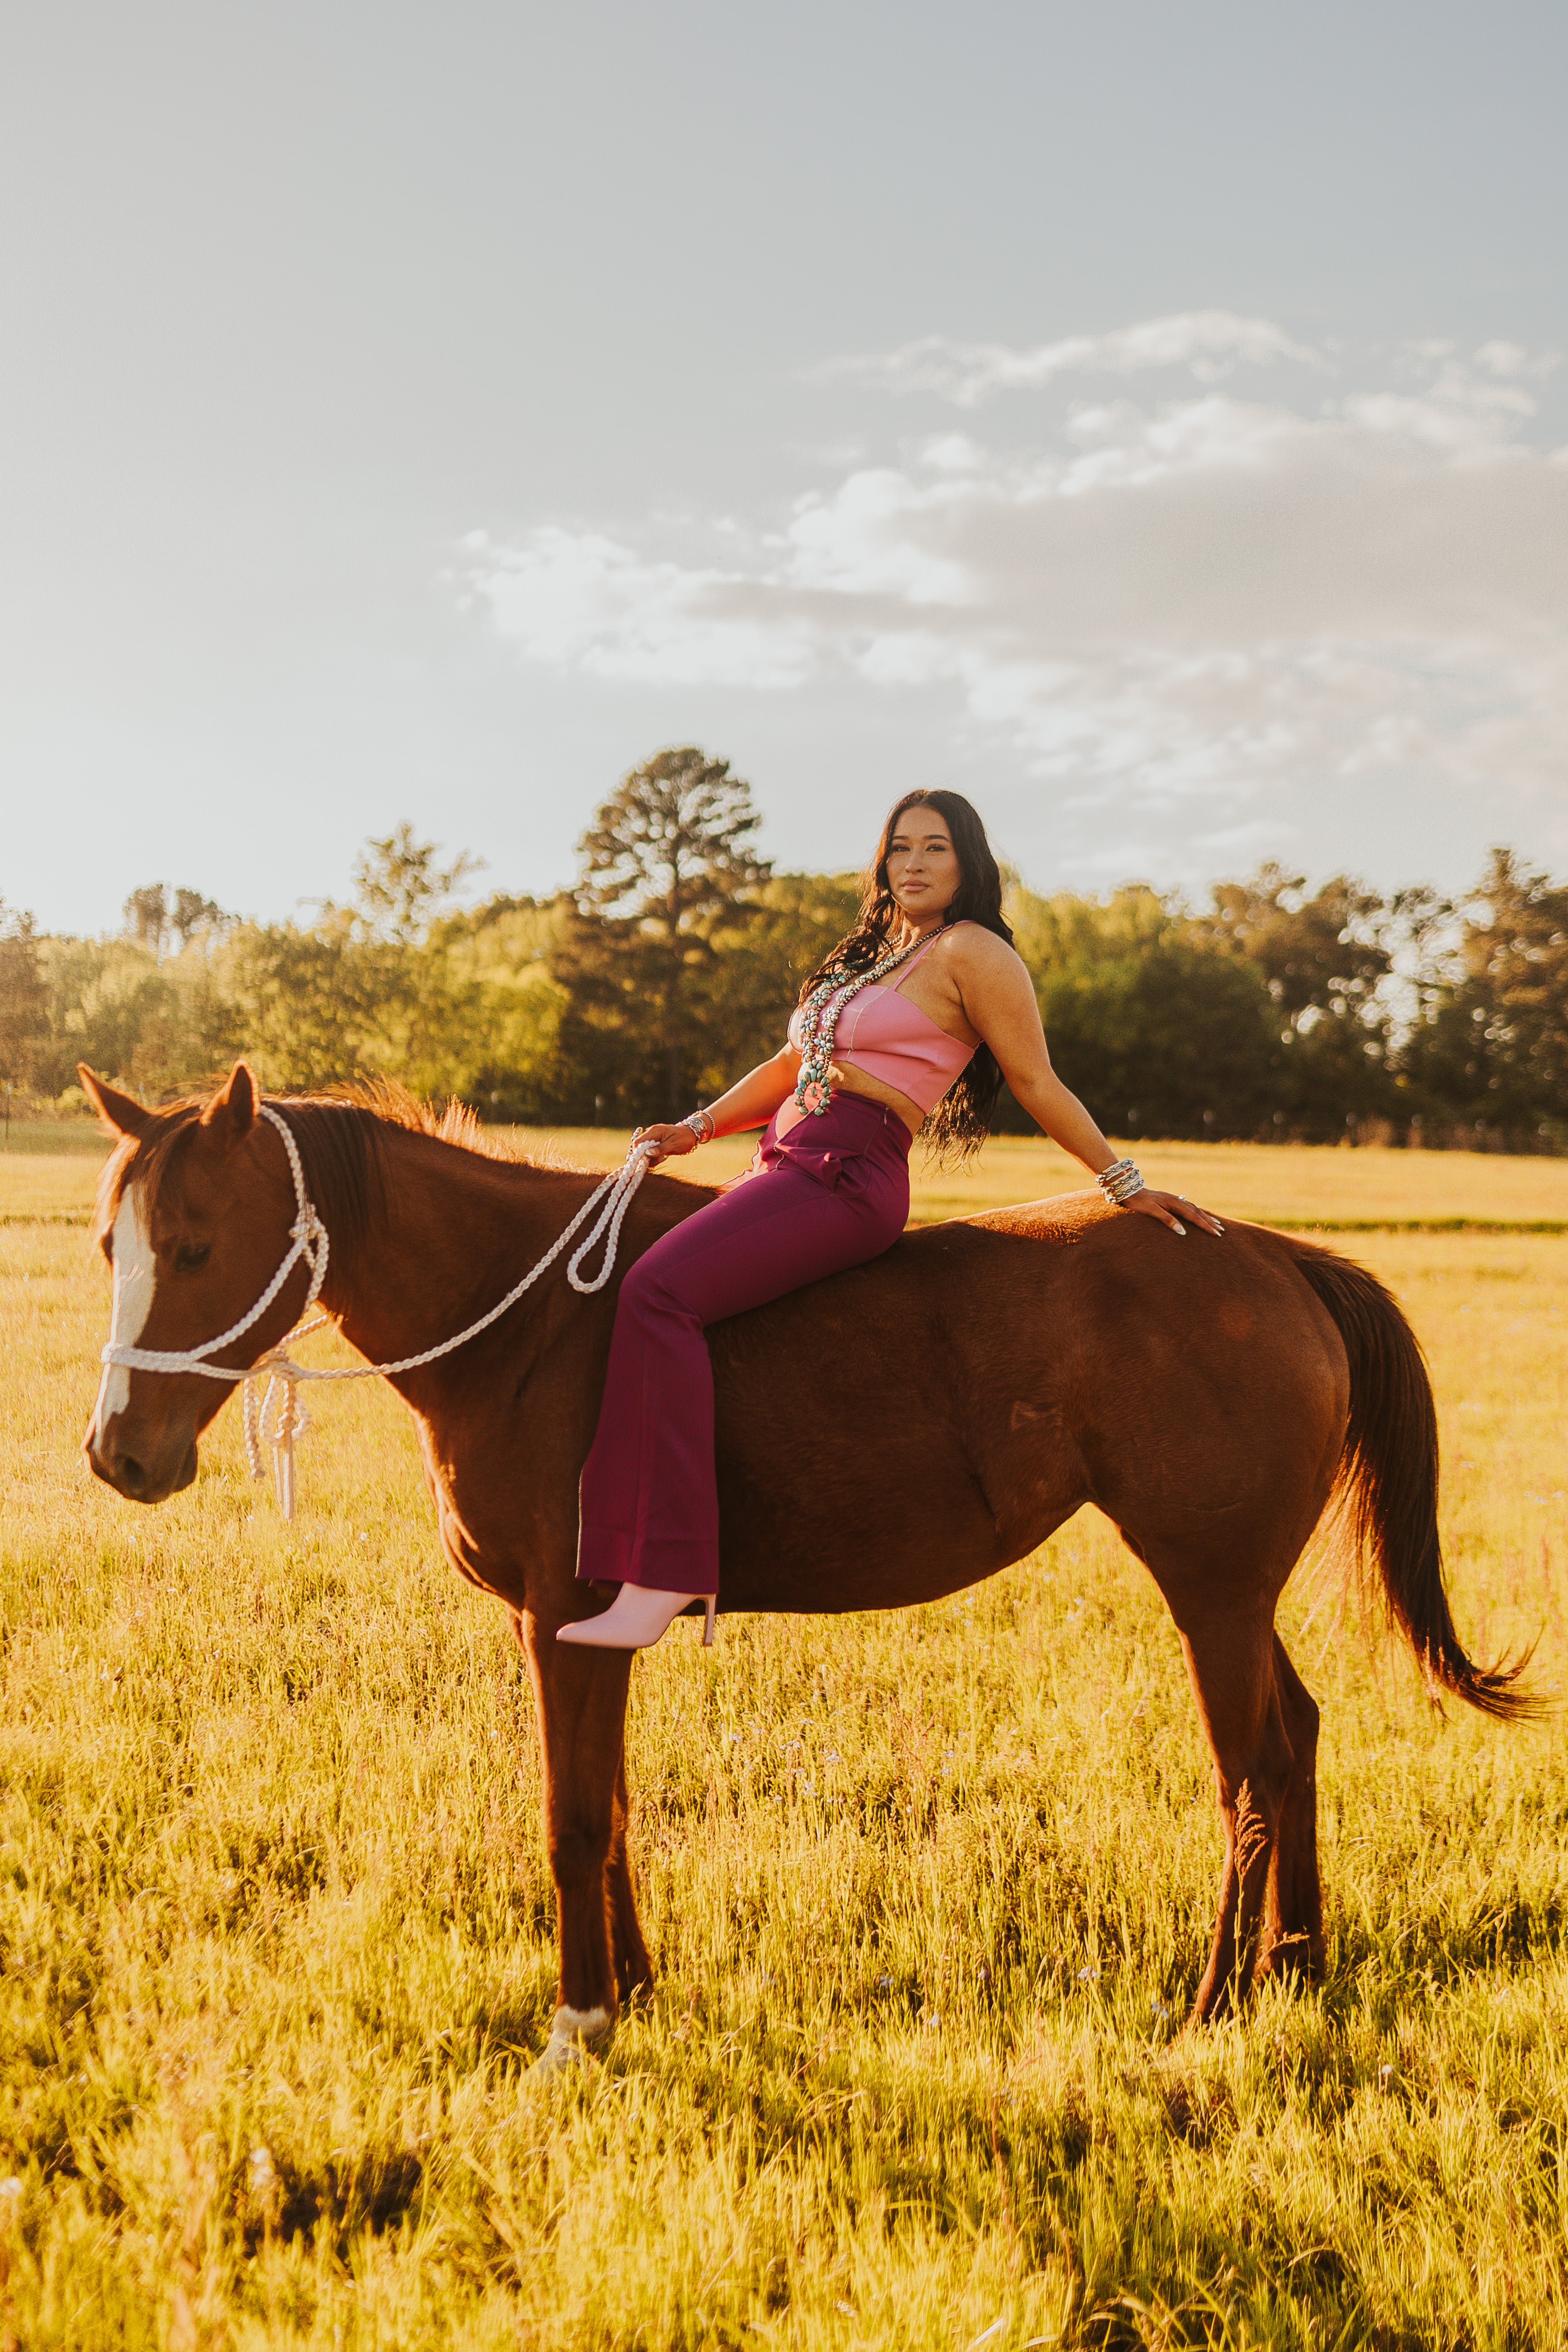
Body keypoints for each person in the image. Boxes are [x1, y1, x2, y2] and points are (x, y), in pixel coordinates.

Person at [558, 789, 1223, 1652]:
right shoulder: (871, 957)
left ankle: (670, 1571)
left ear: (968, 865)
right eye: (899, 848)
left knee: (657, 1294)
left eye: (935, 849)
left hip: (848, 1174)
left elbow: (1037, 1081)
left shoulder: (975, 954)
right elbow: (792, 1062)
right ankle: (622, 1556)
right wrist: (696, 1128)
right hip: (782, 1161)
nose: (912, 863)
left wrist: (1124, 1183)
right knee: (644, 1276)